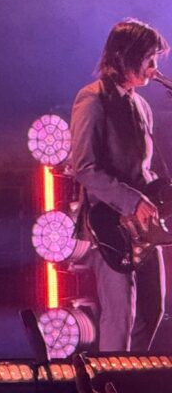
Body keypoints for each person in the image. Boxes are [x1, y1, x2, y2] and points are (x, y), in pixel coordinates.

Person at [70, 18, 169, 351]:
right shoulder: (92, 99)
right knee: (121, 317)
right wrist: (132, 201)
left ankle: (131, 381)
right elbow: (84, 167)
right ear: (125, 56)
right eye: (149, 58)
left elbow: (140, 169)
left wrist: (157, 192)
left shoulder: (141, 106)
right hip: (109, 222)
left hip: (141, 225)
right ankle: (112, 382)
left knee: (152, 311)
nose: (155, 68)